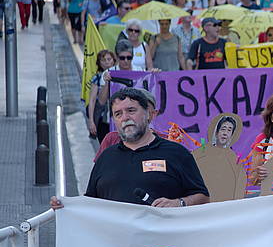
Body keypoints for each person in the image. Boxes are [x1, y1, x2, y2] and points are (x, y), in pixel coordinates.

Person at [51, 88, 210, 209]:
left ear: (148, 114)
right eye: (118, 114)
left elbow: (203, 197)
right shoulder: (106, 158)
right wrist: (67, 206)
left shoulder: (177, 153)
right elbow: (92, 202)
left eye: (131, 111)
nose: (125, 118)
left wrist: (178, 203)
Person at [87, 49, 117, 143]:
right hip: (103, 117)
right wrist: (91, 121)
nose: (107, 62)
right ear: (99, 63)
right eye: (103, 60)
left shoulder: (120, 73)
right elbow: (92, 100)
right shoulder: (97, 78)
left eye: (109, 59)